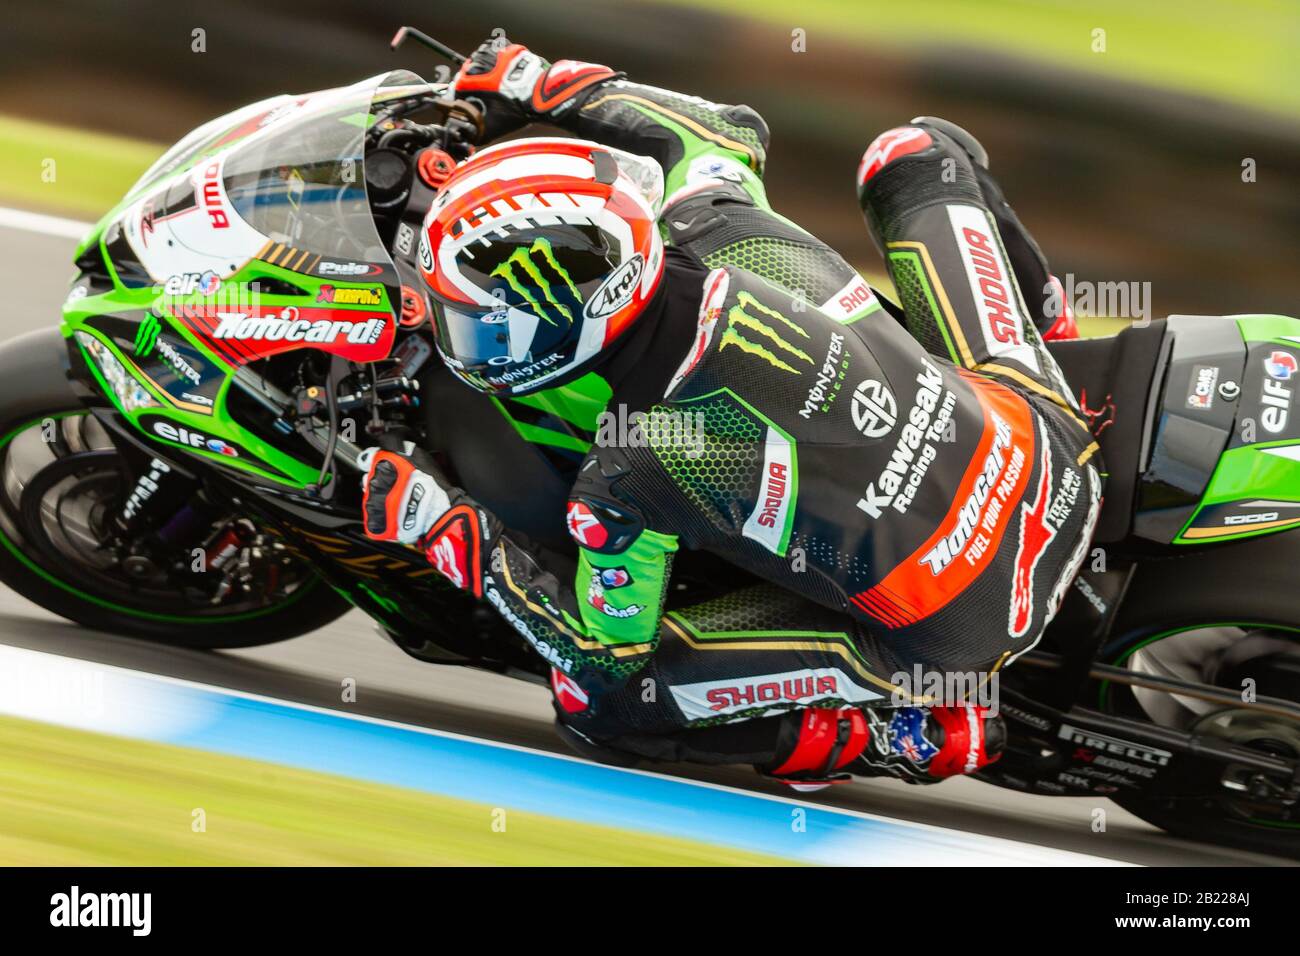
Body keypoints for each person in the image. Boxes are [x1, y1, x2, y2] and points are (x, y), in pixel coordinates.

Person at [359, 36, 1100, 785]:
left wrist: (443, 527)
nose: (451, 328)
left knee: (599, 704)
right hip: (1052, 443)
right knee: (917, 155)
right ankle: (1061, 347)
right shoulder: (720, 223)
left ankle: (914, 733)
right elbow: (724, 126)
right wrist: (543, 82)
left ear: (562, 318)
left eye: (477, 318)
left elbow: (600, 649)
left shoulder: (630, 472)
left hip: (969, 624)